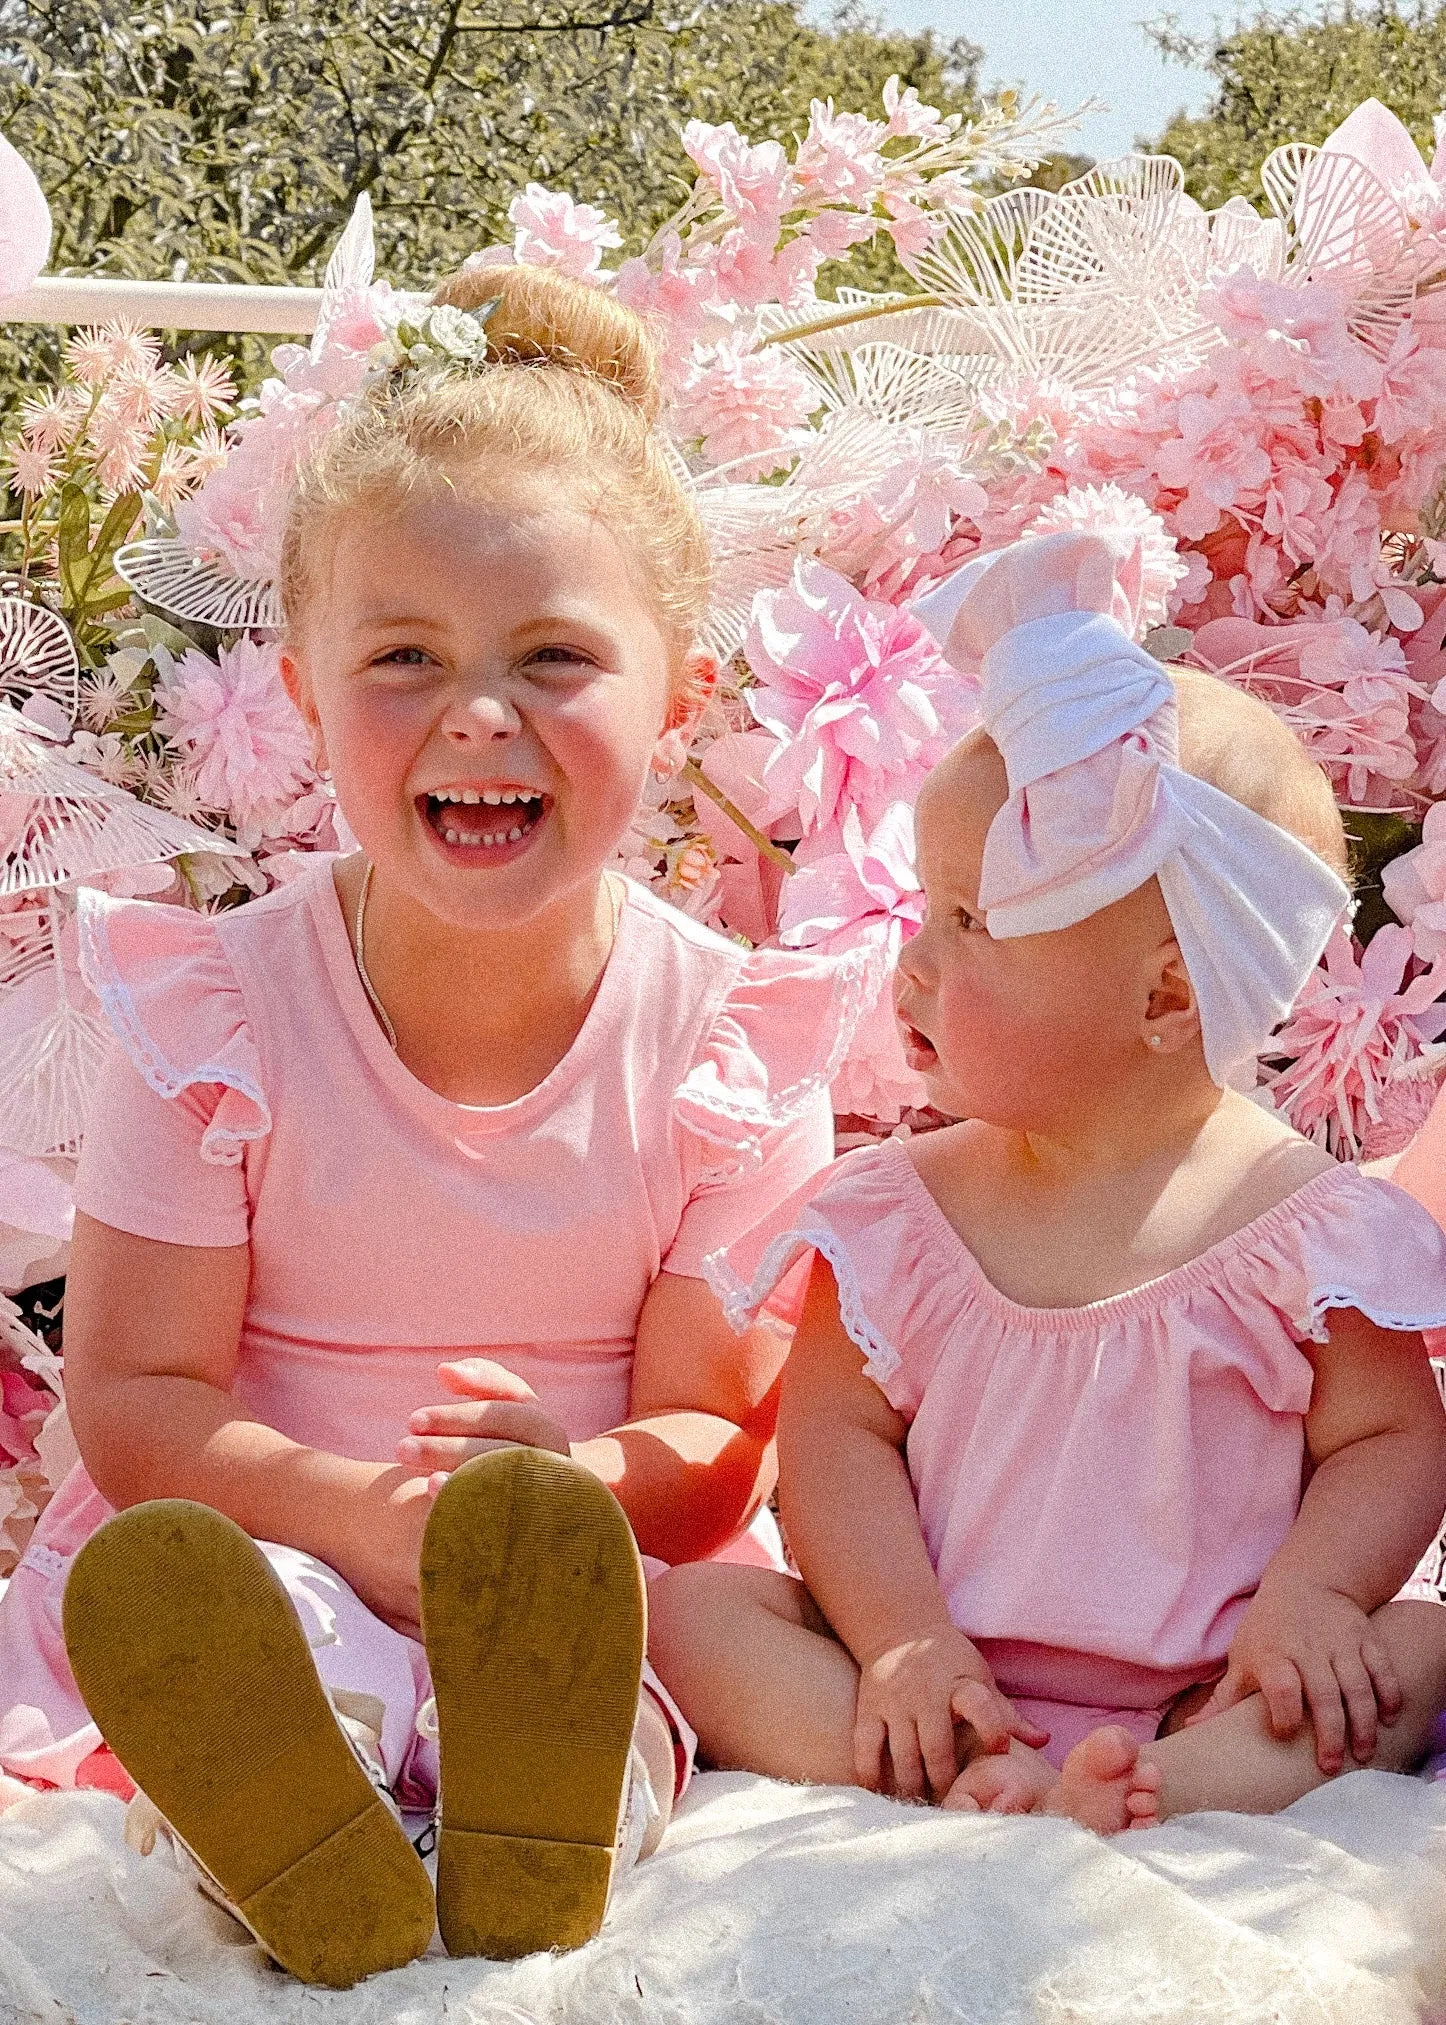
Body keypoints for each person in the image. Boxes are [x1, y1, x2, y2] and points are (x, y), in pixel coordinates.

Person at [0, 264, 876, 1984]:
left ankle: (539, 1822)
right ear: (309, 695)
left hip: (569, 1579)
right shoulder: (218, 1015)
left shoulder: (726, 1045)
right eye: (404, 658)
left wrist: (565, 1487)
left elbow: (715, 1453)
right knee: (266, 1634)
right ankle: (281, 1809)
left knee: (615, 1665)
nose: (483, 711)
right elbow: (137, 1403)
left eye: (557, 656)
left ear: (680, 694)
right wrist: (352, 1514)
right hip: (263, 1540)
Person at [648, 527, 1446, 1832]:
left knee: (1407, 1651)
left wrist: (1311, 1597)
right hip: (927, 1669)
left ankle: (1164, 1785)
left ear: (1165, 996)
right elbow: (833, 1449)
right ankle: (944, 1767)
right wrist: (903, 1644)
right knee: (692, 1608)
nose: (915, 964)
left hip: (1211, 1682)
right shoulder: (891, 1215)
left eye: (970, 923)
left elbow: (1387, 1441)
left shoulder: (1307, 1232)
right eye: (927, 909)